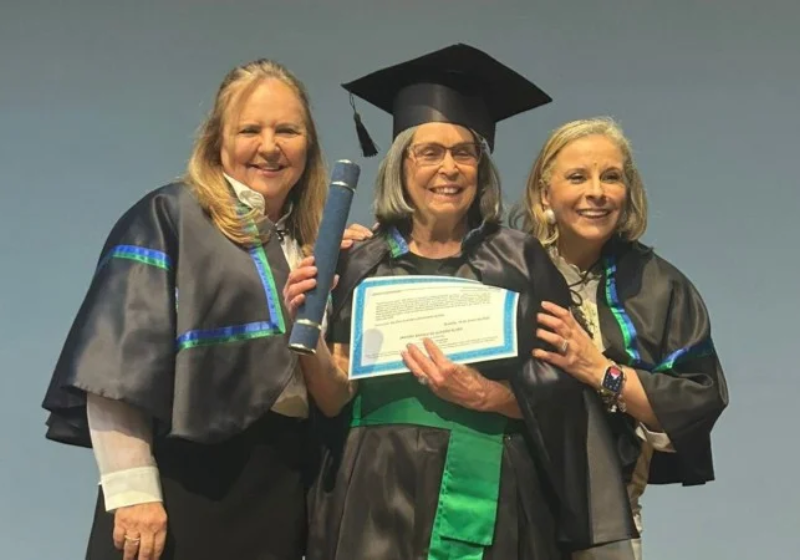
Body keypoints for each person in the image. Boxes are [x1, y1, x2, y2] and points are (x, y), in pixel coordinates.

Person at [284, 45, 637, 560]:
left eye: (464, 152)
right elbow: (335, 397)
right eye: (429, 152)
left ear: (481, 165)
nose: (448, 168)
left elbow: (567, 396)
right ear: (401, 165)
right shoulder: (361, 262)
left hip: (493, 492)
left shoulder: (521, 261)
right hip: (374, 493)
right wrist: (307, 335)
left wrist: (488, 396)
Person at [42, 58, 339, 560]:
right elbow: (114, 369)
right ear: (217, 141)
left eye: (287, 130)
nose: (269, 146)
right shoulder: (170, 217)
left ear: (307, 145)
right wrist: (134, 491)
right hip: (183, 483)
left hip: (280, 486)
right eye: (250, 129)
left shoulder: (313, 244)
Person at [516, 117, 729, 559]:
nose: (597, 191)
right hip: (507, 509)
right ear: (544, 193)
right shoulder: (504, 269)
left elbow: (689, 410)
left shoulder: (658, 287)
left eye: (611, 177)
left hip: (607, 517)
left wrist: (599, 371)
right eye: (578, 177)